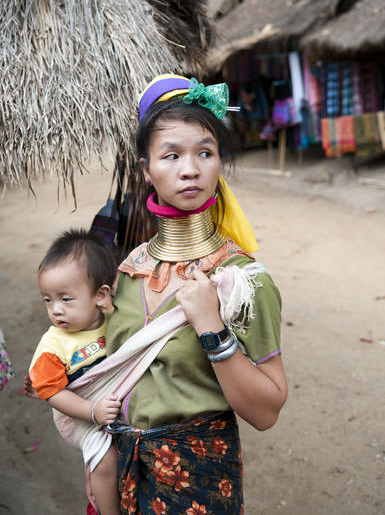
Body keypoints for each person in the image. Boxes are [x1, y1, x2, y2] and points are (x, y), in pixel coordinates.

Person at [86, 74, 288, 514]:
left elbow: (267, 411)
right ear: (146, 171)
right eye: (171, 155)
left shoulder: (242, 281)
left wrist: (213, 329)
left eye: (205, 153)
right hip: (123, 472)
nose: (190, 169)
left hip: (199, 480)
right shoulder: (125, 271)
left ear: (219, 164)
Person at [28, 229, 121, 515]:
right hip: (76, 416)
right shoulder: (53, 345)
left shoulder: (115, 321)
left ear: (101, 295)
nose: (56, 310)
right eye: (48, 300)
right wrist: (92, 411)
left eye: (66, 299)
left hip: (106, 403)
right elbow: (50, 391)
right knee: (105, 460)